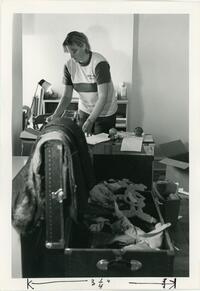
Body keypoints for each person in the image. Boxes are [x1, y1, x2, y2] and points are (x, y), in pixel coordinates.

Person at [47, 31, 118, 135]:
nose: (71, 55)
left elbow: (103, 97)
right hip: (84, 110)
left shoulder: (99, 63)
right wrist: (55, 115)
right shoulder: (69, 66)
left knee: (100, 147)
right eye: (68, 51)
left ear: (84, 46)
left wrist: (90, 120)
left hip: (105, 113)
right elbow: (67, 96)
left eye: (74, 51)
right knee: (83, 143)